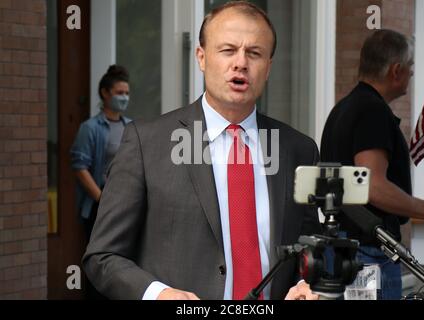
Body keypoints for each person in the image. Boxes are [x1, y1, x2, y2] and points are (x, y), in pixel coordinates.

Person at [83, 1, 321, 300]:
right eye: (228, 50)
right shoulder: (147, 143)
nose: (240, 63)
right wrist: (158, 294)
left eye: (254, 53)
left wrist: (309, 282)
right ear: (201, 57)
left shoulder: (298, 149)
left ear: (268, 67)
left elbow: (310, 248)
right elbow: (102, 256)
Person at [320, 29, 424, 300]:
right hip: (367, 254)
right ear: (396, 70)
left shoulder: (343, 109)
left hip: (345, 248)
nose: (412, 74)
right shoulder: (372, 111)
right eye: (411, 67)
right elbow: (372, 186)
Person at [71, 65, 132, 241]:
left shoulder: (131, 126)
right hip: (100, 204)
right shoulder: (90, 128)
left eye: (127, 93)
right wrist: (101, 199)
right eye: (119, 92)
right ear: (105, 93)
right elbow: (80, 167)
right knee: (99, 259)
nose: (124, 97)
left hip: (126, 201)